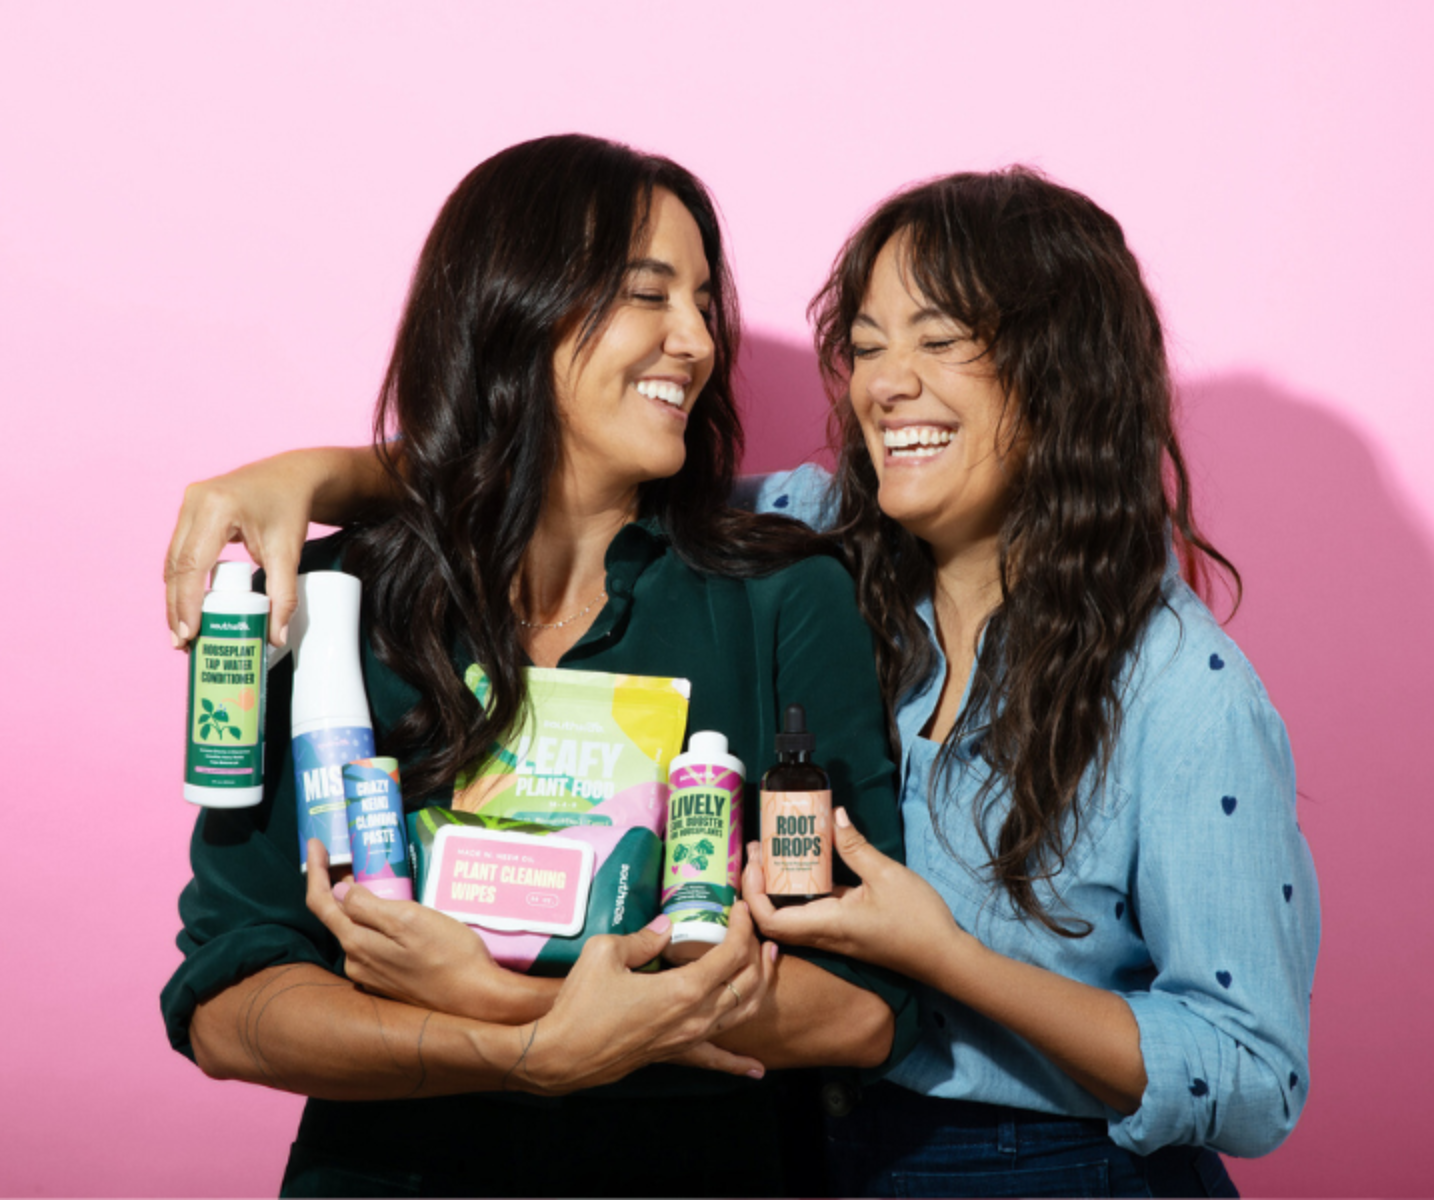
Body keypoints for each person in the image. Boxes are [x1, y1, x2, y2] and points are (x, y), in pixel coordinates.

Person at [167, 166, 1318, 1198]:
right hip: (812, 1145)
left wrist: (939, 957)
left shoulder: (1176, 689)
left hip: (1044, 1165)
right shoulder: (812, 529)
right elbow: (533, 466)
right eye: (866, 346)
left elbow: (1247, 1073)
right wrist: (309, 474)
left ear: (1064, 373)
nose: (887, 387)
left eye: (941, 338)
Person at [161, 134, 914, 1198]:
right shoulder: (324, 605)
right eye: (649, 294)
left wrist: (500, 1000)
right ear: (515, 302)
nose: (695, 340)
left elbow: (867, 1005)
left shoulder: (783, 598)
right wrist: (520, 1050)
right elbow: (228, 1003)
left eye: (705, 301)